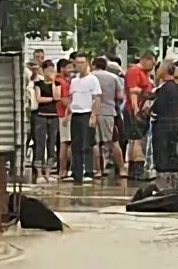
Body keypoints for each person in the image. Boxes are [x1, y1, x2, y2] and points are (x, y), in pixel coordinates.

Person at [67, 53, 102, 185]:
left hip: (87, 113)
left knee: (86, 144)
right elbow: (71, 97)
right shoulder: (74, 80)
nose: (79, 65)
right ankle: (77, 173)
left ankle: (89, 171)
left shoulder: (93, 79)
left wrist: (94, 115)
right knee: (75, 144)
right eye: (77, 63)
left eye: (82, 62)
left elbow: (97, 98)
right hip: (75, 113)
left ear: (87, 63)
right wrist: (68, 112)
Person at [151, 60, 178, 188]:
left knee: (161, 150)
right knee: (172, 150)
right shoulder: (177, 88)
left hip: (163, 123)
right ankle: (173, 177)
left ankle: (163, 181)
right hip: (174, 123)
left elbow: (158, 107)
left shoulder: (165, 88)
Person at [91, 57, 125, 179]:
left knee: (95, 143)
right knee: (113, 142)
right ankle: (121, 169)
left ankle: (98, 170)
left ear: (93, 65)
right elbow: (120, 96)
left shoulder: (89, 77)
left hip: (92, 113)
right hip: (109, 112)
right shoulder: (113, 77)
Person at [124, 52, 156, 180]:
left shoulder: (144, 73)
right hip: (135, 110)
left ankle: (133, 170)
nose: (153, 66)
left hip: (141, 110)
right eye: (152, 63)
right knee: (137, 141)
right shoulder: (134, 71)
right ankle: (137, 170)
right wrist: (135, 109)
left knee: (135, 141)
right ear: (145, 60)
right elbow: (133, 91)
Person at [32, 60, 60, 183]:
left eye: (52, 70)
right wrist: (51, 99)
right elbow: (39, 98)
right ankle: (39, 173)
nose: (50, 72)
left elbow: (57, 97)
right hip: (41, 115)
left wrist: (53, 81)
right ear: (43, 71)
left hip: (54, 115)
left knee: (52, 142)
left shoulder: (57, 83)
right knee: (40, 142)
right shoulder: (38, 83)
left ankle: (48, 173)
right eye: (48, 70)